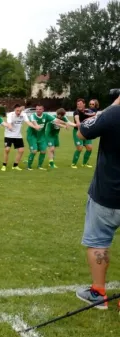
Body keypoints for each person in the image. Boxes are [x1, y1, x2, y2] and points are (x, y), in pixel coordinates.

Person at [75, 95, 120, 310]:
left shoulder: (113, 113)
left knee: (99, 242)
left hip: (107, 195)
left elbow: (83, 131)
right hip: (107, 195)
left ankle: (98, 293)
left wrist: (113, 105)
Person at [27, 104, 68, 170]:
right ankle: (28, 166)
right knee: (34, 151)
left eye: (40, 109)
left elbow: (56, 120)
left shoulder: (46, 115)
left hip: (41, 136)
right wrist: (36, 126)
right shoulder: (32, 116)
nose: (38, 110)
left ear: (43, 110)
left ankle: (39, 166)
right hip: (32, 136)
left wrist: (65, 123)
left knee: (43, 151)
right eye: (37, 109)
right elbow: (34, 122)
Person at [2, 104, 39, 171]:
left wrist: (35, 127)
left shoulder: (23, 114)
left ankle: (15, 165)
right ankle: (4, 165)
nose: (18, 112)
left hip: (18, 135)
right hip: (8, 135)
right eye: (17, 111)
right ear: (14, 110)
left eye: (19, 111)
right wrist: (9, 126)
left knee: (21, 150)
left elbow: (28, 122)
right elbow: (9, 123)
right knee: (7, 150)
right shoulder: (10, 114)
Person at [72, 99, 97, 168]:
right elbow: (77, 120)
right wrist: (79, 125)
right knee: (79, 148)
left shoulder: (87, 111)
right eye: (77, 104)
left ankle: (84, 163)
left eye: (80, 104)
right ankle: (73, 164)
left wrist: (90, 118)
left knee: (89, 148)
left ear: (84, 104)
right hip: (78, 131)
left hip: (86, 132)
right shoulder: (76, 112)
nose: (79, 105)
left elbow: (95, 116)